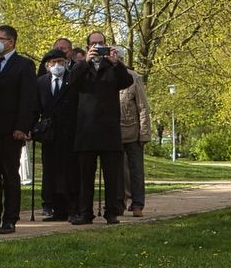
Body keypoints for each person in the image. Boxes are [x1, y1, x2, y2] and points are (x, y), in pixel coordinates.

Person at [69, 32, 133, 224]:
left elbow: (126, 82)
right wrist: (85, 62)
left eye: (101, 43)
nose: (97, 47)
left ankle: (111, 211)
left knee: (111, 175)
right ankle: (85, 212)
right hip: (86, 130)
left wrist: (116, 63)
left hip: (108, 129)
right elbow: (72, 82)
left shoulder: (112, 67)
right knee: (85, 175)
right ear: (87, 46)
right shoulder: (82, 67)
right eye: (93, 44)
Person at [0, 24, 36, 234]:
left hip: (10, 129)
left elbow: (28, 98)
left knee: (9, 175)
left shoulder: (23, 65)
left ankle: (10, 218)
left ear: (10, 42)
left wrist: (22, 126)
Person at [34, 47, 78, 220]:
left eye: (61, 62)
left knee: (70, 172)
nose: (57, 66)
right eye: (54, 63)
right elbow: (35, 107)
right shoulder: (41, 83)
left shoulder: (72, 80)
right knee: (52, 172)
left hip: (69, 132)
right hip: (49, 135)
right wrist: (32, 127)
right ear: (47, 65)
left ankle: (73, 209)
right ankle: (57, 209)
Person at [119, 59, 152, 216]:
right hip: (113, 134)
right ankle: (119, 201)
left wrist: (144, 133)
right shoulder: (105, 77)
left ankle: (137, 203)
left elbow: (143, 107)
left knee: (136, 170)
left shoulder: (134, 78)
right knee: (117, 171)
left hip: (132, 133)